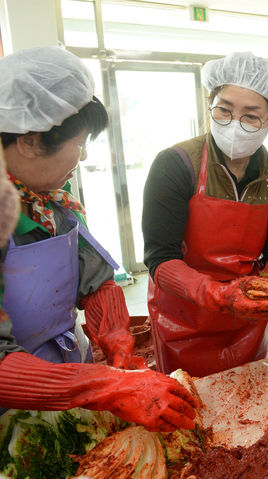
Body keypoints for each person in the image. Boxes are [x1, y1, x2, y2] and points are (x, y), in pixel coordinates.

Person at [0, 46, 196, 432]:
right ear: (30, 141)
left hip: (70, 378)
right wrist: (108, 386)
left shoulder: (50, 199)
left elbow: (93, 276)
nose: (83, 155)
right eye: (79, 142)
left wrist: (113, 331)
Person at [143, 52, 268, 378]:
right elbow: (160, 258)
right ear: (209, 107)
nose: (234, 124)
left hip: (247, 320)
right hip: (183, 319)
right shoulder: (176, 164)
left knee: (248, 408)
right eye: (224, 110)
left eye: (251, 116)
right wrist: (218, 294)